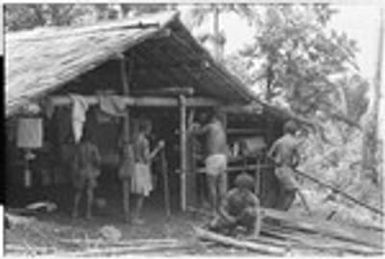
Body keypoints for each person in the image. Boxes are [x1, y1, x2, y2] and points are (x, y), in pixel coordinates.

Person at [190, 110, 228, 217]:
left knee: (211, 186)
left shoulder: (210, 126)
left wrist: (192, 125)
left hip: (213, 158)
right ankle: (221, 209)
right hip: (223, 158)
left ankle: (213, 211)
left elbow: (196, 133)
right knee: (221, 185)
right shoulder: (221, 128)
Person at [131, 118, 164, 225]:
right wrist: (158, 148)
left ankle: (134, 215)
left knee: (138, 193)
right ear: (147, 128)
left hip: (136, 165)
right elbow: (147, 158)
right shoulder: (144, 141)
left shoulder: (135, 139)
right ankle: (135, 217)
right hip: (142, 167)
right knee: (141, 194)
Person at [207, 172, 261, 237]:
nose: (243, 192)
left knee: (249, 211)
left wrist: (255, 234)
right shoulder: (231, 194)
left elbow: (258, 217)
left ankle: (246, 231)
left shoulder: (253, 199)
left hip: (243, 219)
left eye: (246, 189)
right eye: (241, 189)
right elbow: (222, 208)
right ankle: (230, 229)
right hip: (229, 218)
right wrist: (228, 217)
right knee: (213, 225)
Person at [267, 120, 301, 211]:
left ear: (285, 130)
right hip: (286, 169)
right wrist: (293, 166)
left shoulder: (279, 141)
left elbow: (269, 155)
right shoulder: (294, 142)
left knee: (284, 192)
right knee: (292, 191)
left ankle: (279, 213)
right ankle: (282, 213)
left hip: (278, 169)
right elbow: (297, 159)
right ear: (294, 131)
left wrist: (276, 161)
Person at [71, 134, 101, 219]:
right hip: (90, 171)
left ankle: (75, 211)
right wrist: (96, 170)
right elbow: (98, 160)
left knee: (78, 192)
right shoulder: (93, 147)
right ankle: (88, 213)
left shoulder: (79, 148)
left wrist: (75, 172)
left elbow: (75, 161)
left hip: (81, 171)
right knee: (89, 193)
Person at [118, 141, 135, 222]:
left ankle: (127, 214)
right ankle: (128, 215)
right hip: (129, 173)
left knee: (126, 196)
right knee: (128, 196)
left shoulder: (123, 160)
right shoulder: (130, 159)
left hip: (124, 173)